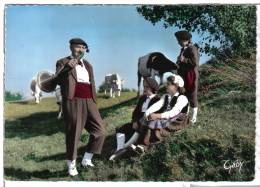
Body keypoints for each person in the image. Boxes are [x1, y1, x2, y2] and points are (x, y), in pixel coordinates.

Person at [55, 38, 106, 176]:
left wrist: (94, 100)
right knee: (74, 133)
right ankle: (71, 165)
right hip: (73, 101)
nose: (81, 50)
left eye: (83, 48)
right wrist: (67, 67)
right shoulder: (62, 62)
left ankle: (86, 159)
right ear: (71, 47)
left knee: (100, 131)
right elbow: (57, 80)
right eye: (78, 47)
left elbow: (91, 82)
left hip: (90, 100)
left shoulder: (88, 65)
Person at [109, 77, 160, 160]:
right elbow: (135, 113)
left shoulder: (157, 100)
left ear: (152, 88)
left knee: (138, 132)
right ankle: (119, 149)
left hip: (146, 125)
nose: (144, 89)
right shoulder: (142, 98)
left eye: (147, 87)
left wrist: (140, 122)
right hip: (137, 123)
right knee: (121, 128)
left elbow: (154, 115)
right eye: (144, 87)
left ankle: (123, 151)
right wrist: (135, 121)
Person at [141, 75, 189, 142]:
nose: (166, 85)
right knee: (146, 121)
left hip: (176, 121)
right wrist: (147, 112)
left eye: (168, 84)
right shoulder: (166, 96)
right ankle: (141, 142)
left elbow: (173, 112)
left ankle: (147, 144)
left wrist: (157, 116)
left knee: (156, 124)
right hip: (167, 119)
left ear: (176, 86)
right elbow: (157, 105)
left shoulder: (182, 98)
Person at [175, 30, 200, 124]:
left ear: (185, 40)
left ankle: (193, 119)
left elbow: (195, 63)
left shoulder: (192, 48)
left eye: (179, 40)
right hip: (184, 75)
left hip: (191, 76)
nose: (178, 42)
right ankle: (184, 116)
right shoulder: (184, 49)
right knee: (183, 95)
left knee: (192, 95)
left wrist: (184, 59)